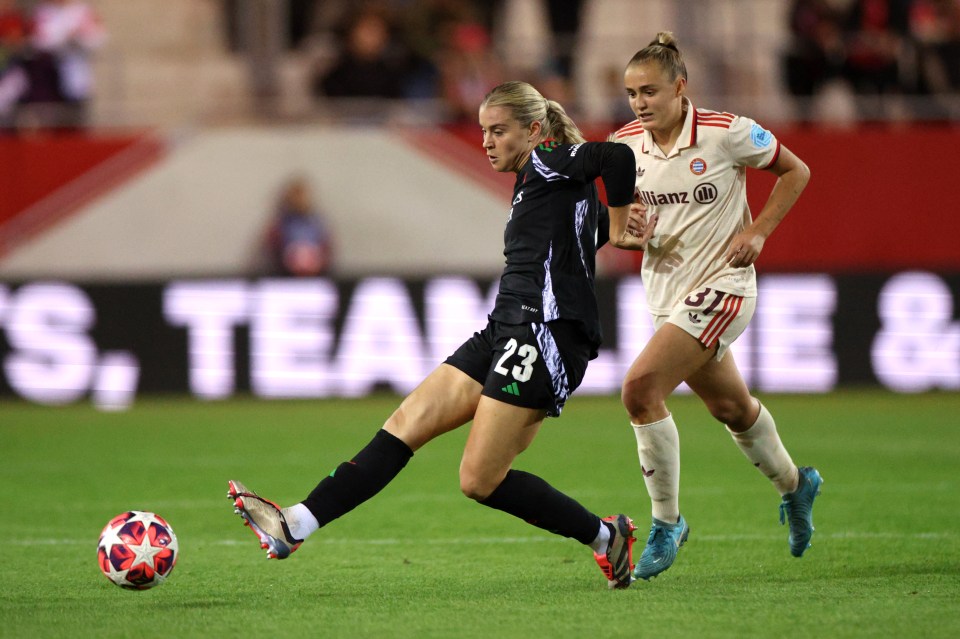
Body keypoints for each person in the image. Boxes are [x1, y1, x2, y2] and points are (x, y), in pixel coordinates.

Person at [228, 80, 651, 589]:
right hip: (505, 327)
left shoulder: (549, 161)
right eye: (483, 131)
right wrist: (611, 226)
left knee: (478, 480)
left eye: (499, 131)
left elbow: (619, 158)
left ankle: (605, 537)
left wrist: (624, 226)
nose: (487, 142)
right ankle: (295, 524)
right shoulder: (544, 182)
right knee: (407, 421)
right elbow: (573, 236)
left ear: (534, 130)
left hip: (543, 334)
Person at [610, 32, 822, 582]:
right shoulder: (623, 146)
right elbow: (622, 231)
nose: (640, 103)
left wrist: (758, 230)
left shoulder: (728, 133)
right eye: (632, 93)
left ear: (681, 88)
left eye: (650, 91)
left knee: (639, 388)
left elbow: (796, 171)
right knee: (731, 408)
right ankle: (797, 486)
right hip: (664, 294)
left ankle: (666, 523)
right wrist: (632, 229)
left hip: (724, 286)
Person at [262, 176, 334, 277]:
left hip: (316, 277)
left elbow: (327, 249)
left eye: (302, 196)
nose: (299, 200)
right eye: (295, 196)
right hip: (286, 278)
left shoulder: (317, 224)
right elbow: (273, 250)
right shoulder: (280, 225)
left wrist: (315, 262)